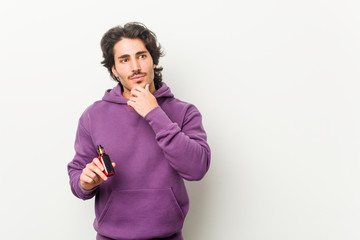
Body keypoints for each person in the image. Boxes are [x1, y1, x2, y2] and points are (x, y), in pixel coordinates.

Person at [67, 22, 211, 240]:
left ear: (153, 60)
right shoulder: (93, 116)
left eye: (142, 56)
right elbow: (77, 175)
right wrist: (85, 182)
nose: (135, 66)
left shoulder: (184, 112)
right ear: (114, 69)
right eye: (124, 60)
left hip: (168, 235)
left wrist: (154, 113)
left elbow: (197, 169)